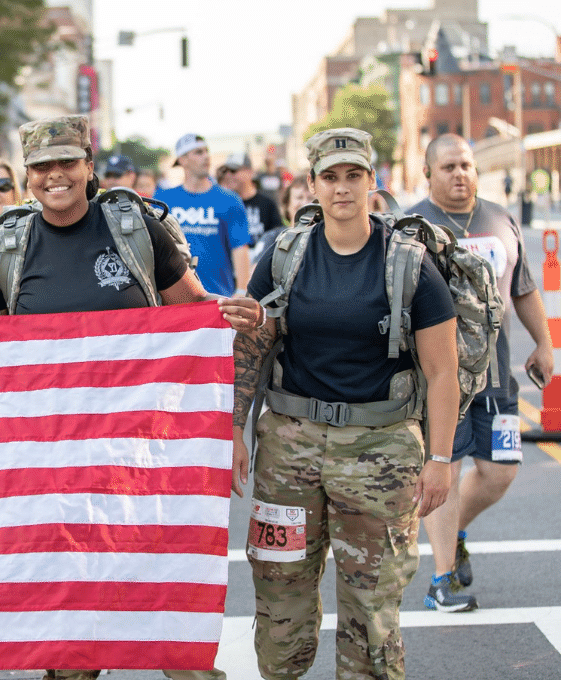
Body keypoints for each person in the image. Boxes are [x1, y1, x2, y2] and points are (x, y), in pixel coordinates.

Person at [0, 114, 263, 680]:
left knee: (171, 623)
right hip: (55, 473)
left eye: (67, 163)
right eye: (42, 167)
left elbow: (195, 314)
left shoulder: (134, 229)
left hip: (144, 460)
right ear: (29, 174)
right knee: (69, 641)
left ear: (89, 167)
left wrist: (232, 323)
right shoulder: (10, 244)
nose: (55, 176)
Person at [231, 128, 459, 679]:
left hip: (380, 453)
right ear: (311, 185)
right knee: (279, 594)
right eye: (330, 177)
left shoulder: (409, 263)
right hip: (288, 450)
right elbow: (252, 345)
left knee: (371, 610)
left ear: (372, 181)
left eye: (353, 176)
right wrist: (235, 430)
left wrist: (442, 459)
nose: (342, 188)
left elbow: (442, 368)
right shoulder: (283, 255)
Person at [410, 133, 552, 613]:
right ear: (429, 173)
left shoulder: (500, 218)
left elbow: (524, 289)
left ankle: (456, 534)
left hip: (495, 377)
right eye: (448, 166)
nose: (459, 174)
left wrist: (544, 344)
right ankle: (441, 579)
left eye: (466, 165)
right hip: (440, 378)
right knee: (445, 472)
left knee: (500, 472)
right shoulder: (411, 226)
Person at [155, 134, 250, 297]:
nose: (206, 156)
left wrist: (241, 291)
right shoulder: (163, 200)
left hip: (218, 297)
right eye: (198, 152)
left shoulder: (229, 200)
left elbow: (240, 248)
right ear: (183, 160)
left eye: (206, 151)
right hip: (175, 300)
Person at [249, 174, 313, 269]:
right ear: (287, 204)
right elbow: (254, 277)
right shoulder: (272, 239)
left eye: (310, 198)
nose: (305, 203)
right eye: (299, 197)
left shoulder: (328, 239)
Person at [218, 152, 282, 246]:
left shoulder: (267, 204)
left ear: (250, 172)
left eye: (233, 171)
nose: (228, 175)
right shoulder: (222, 204)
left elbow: (278, 239)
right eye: (225, 172)